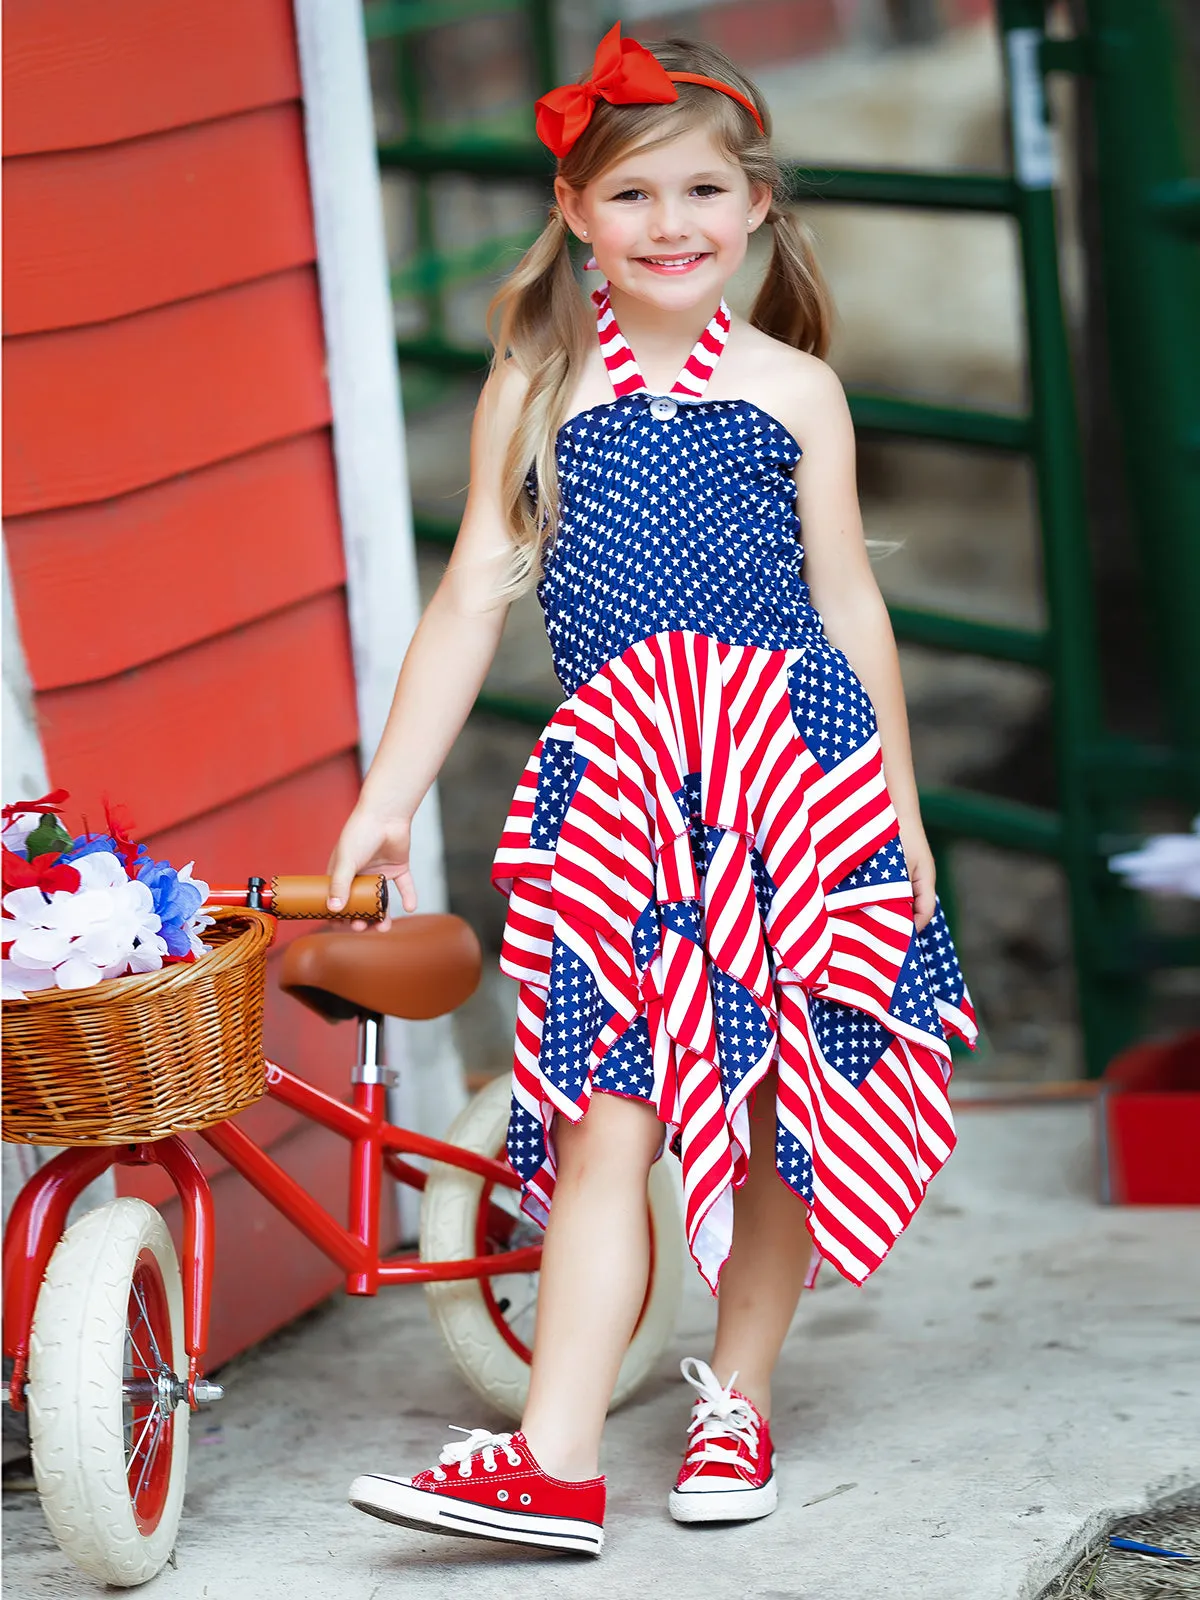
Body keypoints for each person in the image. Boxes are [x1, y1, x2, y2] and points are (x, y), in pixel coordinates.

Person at [332, 23, 976, 1556]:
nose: (671, 226)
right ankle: (554, 1460)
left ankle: (736, 1396)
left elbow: (846, 609)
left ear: (756, 207)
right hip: (621, 798)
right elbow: (471, 604)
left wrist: (900, 804)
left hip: (793, 791)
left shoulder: (799, 392)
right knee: (607, 1117)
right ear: (573, 214)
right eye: (632, 197)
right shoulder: (537, 383)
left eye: (701, 191)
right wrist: (385, 798)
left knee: (773, 1120)